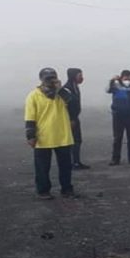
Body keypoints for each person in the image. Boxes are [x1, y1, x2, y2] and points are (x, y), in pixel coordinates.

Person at [24, 68, 76, 199]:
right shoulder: (34, 95)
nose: (51, 81)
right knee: (42, 167)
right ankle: (43, 191)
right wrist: (31, 136)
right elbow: (30, 117)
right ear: (41, 79)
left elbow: (73, 104)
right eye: (48, 78)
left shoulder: (62, 94)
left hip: (63, 135)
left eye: (53, 77)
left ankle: (67, 189)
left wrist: (60, 89)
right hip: (43, 137)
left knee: (66, 166)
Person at [62, 68, 89, 170]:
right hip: (70, 119)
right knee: (72, 141)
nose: (81, 78)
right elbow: (67, 105)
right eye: (79, 75)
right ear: (73, 76)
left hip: (75, 118)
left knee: (77, 140)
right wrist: (71, 119)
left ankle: (76, 161)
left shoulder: (75, 87)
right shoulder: (67, 89)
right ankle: (72, 162)